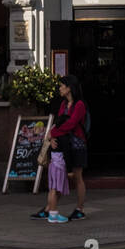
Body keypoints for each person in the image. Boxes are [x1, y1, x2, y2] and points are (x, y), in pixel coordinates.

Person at [32, 76, 88, 221]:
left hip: (76, 144)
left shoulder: (80, 104)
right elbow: (59, 122)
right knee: (61, 176)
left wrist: (53, 134)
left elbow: (71, 124)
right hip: (64, 144)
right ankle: (49, 208)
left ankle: (79, 209)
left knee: (77, 176)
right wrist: (51, 138)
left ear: (69, 88)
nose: (59, 88)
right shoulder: (63, 104)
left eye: (62, 86)